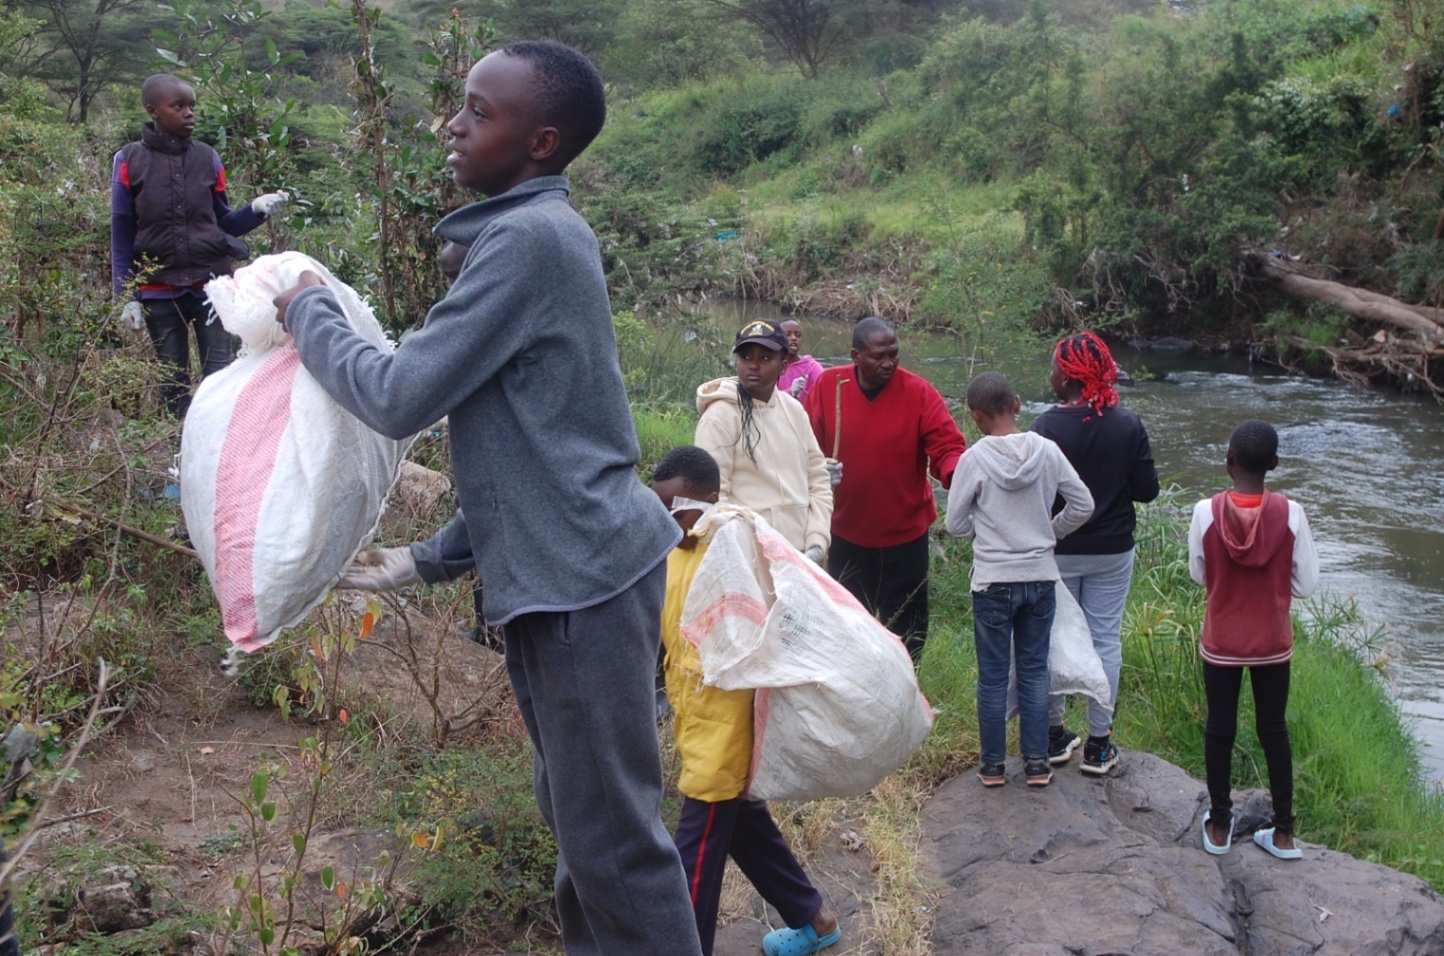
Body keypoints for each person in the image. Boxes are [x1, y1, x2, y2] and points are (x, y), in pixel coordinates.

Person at [272, 41, 703, 954]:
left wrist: (306, 306)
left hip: (581, 585)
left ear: (540, 141)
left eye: (478, 110)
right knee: (582, 828)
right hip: (571, 573)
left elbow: (397, 395)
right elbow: (542, 452)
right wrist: (429, 557)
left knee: (615, 846)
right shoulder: (529, 235)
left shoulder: (526, 241)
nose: (453, 125)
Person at [652, 446, 842, 956]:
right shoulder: (678, 547)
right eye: (660, 509)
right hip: (695, 714)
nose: (670, 522)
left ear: (712, 500)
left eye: (678, 511)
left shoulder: (732, 543)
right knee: (740, 825)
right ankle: (816, 920)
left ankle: (683, 947)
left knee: (696, 845)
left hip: (728, 716)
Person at [945, 372, 1093, 788]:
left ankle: (993, 766)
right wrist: (1051, 531)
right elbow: (1083, 504)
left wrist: (988, 531)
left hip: (993, 581)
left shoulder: (974, 459)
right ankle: (1036, 764)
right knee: (1033, 670)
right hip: (1040, 577)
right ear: (1017, 404)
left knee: (992, 676)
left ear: (975, 416)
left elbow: (955, 525)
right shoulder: (1047, 451)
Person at [111, 73, 287, 418]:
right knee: (173, 382)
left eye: (192, 106)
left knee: (220, 376)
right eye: (179, 106)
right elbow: (121, 231)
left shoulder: (208, 158)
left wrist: (255, 211)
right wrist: (126, 296)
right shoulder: (130, 160)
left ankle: (220, 449)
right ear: (153, 111)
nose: (190, 113)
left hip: (213, 287)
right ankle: (181, 452)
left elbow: (222, 221)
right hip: (158, 291)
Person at [1188, 420, 1318, 860]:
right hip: (1271, 642)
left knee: (1220, 728)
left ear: (1228, 463)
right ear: (1275, 465)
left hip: (1222, 640)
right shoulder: (1292, 513)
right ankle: (1283, 834)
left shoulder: (1205, 511)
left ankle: (1221, 827)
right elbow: (1306, 585)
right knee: (1274, 729)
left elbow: (1198, 573)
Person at [1031, 332, 1160, 775]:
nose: (1048, 375)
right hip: (1112, 550)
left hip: (1058, 549)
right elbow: (1147, 491)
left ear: (1067, 377)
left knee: (1052, 637)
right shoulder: (1126, 424)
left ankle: (1052, 736)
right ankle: (1099, 746)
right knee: (1104, 638)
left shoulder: (1045, 428)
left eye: (1052, 368)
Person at [804, 316, 966, 660]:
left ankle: (907, 693)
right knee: (849, 625)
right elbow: (803, 444)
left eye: (894, 354)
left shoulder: (919, 392)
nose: (889, 363)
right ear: (856, 355)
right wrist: (816, 469)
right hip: (845, 532)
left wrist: (958, 475)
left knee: (908, 628)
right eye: (879, 356)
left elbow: (948, 447)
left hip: (904, 537)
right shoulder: (830, 385)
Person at [695, 319, 832, 561]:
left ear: (783, 366)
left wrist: (817, 543)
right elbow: (714, 499)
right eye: (746, 357)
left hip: (801, 557)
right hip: (747, 558)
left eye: (765, 358)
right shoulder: (719, 417)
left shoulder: (795, 411)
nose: (754, 365)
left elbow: (818, 480)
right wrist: (742, 557)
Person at [778, 319, 824, 402]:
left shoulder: (812, 367)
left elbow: (824, 393)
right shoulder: (771, 366)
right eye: (787, 335)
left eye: (798, 335)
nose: (793, 338)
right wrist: (790, 392)